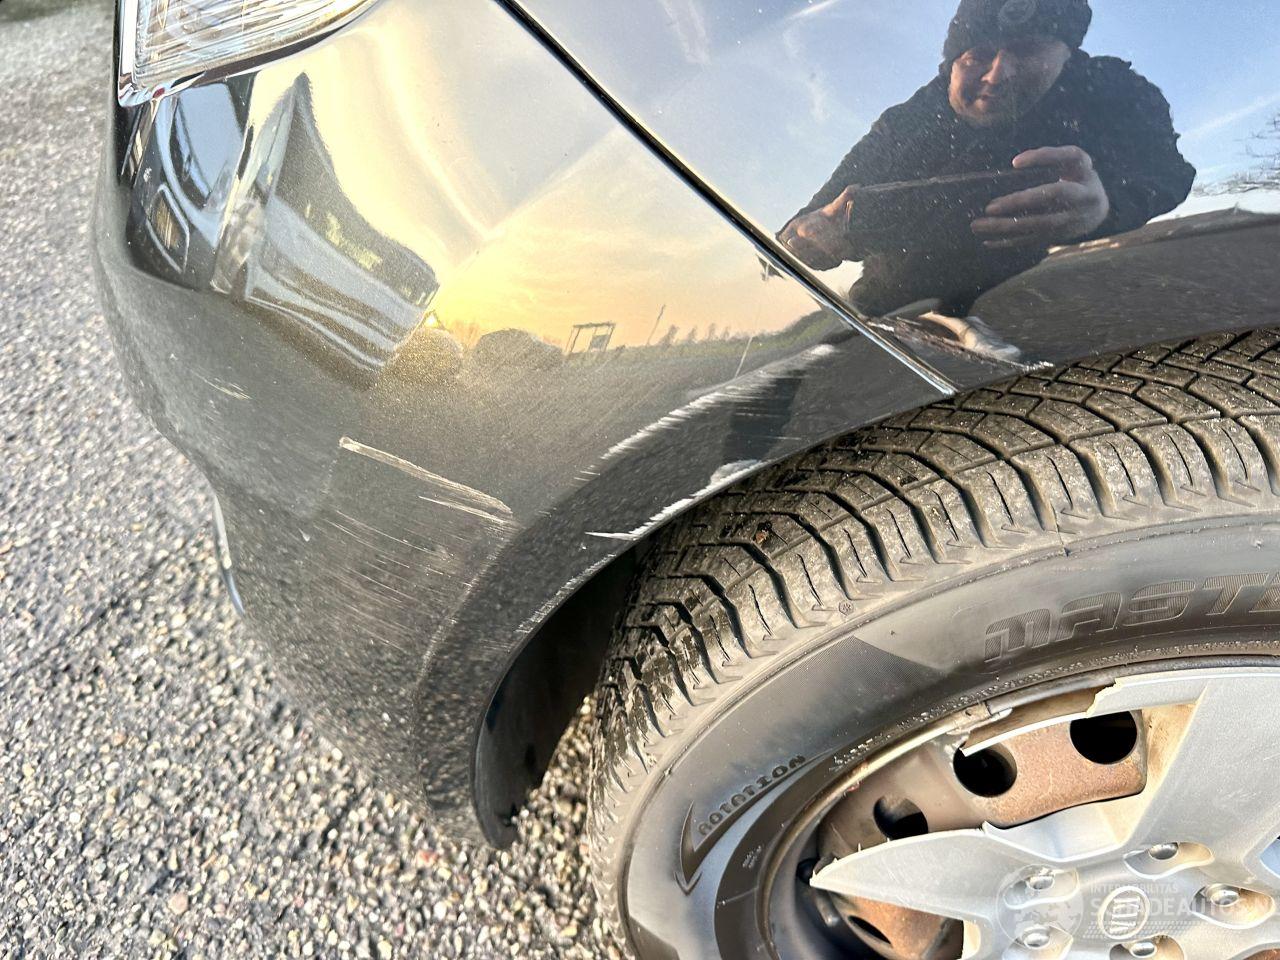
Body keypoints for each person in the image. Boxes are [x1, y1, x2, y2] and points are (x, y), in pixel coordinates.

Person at [779, 0, 1196, 317]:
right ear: (951, 64)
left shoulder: (1114, 93)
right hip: (898, 312)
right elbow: (799, 232)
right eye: (977, 55)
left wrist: (1107, 207)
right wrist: (817, 237)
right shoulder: (904, 124)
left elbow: (1170, 173)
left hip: (1051, 305)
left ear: (1067, 54)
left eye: (1027, 50)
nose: (998, 75)